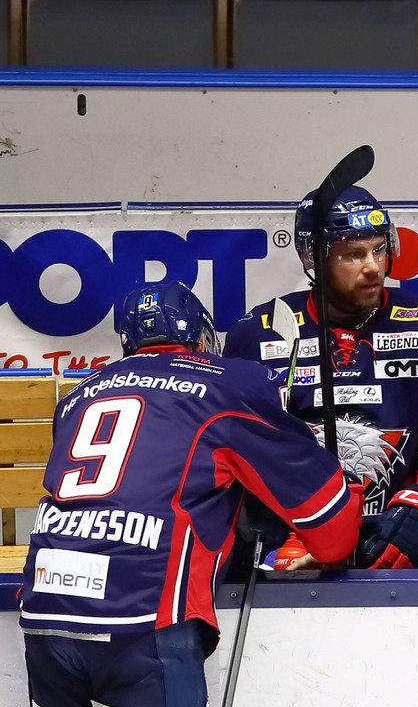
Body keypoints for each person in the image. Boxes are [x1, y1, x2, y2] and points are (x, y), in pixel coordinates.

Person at [21, 282, 360, 707]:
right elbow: (334, 532)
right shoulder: (229, 382)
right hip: (142, 616)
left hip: (45, 609)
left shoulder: (75, 397)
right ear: (201, 337)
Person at [225, 186, 418, 569]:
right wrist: (286, 528)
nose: (373, 266)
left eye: (379, 249)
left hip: (405, 519)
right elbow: (237, 452)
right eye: (353, 254)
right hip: (294, 532)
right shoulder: (258, 335)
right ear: (312, 256)